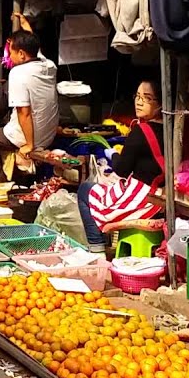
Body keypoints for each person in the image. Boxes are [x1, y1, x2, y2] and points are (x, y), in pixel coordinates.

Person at [79, 80, 165, 253]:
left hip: (143, 199)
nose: (139, 102)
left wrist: (114, 155)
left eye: (147, 98)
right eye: (138, 96)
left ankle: (97, 249)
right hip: (161, 196)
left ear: (160, 103)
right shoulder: (172, 129)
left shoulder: (141, 131)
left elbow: (122, 170)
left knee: (86, 190)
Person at [0, 30, 57, 180]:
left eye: (10, 51)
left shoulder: (18, 73)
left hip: (28, 137)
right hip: (48, 135)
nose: (9, 56)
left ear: (21, 54)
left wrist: (29, 145)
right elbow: (35, 48)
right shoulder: (49, 65)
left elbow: (23, 113)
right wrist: (24, 23)